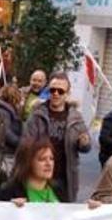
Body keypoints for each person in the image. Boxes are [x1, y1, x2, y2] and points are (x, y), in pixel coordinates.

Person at [22, 72, 91, 202]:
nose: (56, 94)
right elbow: (24, 145)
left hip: (65, 177)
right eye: (52, 90)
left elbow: (86, 147)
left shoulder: (76, 116)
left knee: (62, 218)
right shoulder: (37, 114)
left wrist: (84, 143)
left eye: (60, 91)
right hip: (38, 177)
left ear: (67, 93)